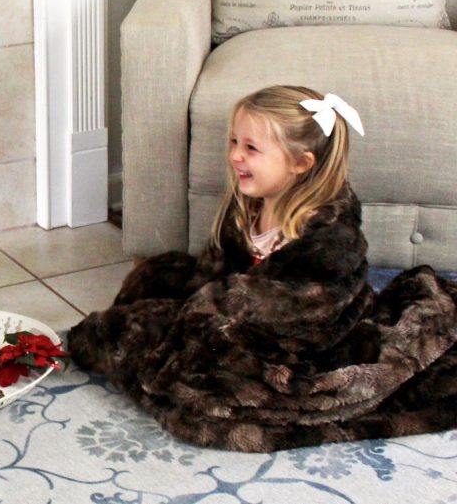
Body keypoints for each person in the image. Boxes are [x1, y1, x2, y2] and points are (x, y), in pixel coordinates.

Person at [68, 85, 457, 452]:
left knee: (191, 379)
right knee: (157, 276)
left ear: (300, 164)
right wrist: (199, 307)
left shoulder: (332, 241)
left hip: (301, 345)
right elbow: (215, 273)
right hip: (243, 319)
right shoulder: (247, 206)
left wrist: (216, 313)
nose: (236, 155)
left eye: (251, 148)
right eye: (234, 143)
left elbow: (315, 315)